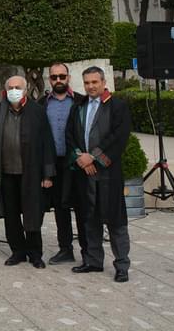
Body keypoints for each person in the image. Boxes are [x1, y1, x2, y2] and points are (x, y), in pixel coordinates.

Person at [66, 66, 133, 283]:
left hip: (108, 174)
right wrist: (81, 160)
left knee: (115, 221)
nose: (91, 86)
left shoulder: (117, 106)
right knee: (89, 218)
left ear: (103, 82)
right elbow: (71, 135)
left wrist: (94, 158)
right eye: (87, 83)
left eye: (94, 82)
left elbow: (118, 139)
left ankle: (121, 264)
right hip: (85, 173)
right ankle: (93, 261)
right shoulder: (79, 106)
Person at [0, 76, 55, 269]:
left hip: (31, 173)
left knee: (32, 214)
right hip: (7, 172)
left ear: (25, 90)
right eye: (11, 87)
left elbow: (47, 143)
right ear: (5, 90)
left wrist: (47, 174)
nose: (14, 90)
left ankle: (35, 253)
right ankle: (17, 251)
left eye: (18, 87)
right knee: (11, 215)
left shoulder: (37, 112)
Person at [39, 62, 87, 265]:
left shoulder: (81, 102)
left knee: (83, 207)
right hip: (54, 163)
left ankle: (89, 251)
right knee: (60, 208)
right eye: (54, 77)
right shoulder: (42, 104)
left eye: (62, 76)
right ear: (49, 79)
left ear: (68, 78)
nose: (58, 80)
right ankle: (65, 248)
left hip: (78, 162)